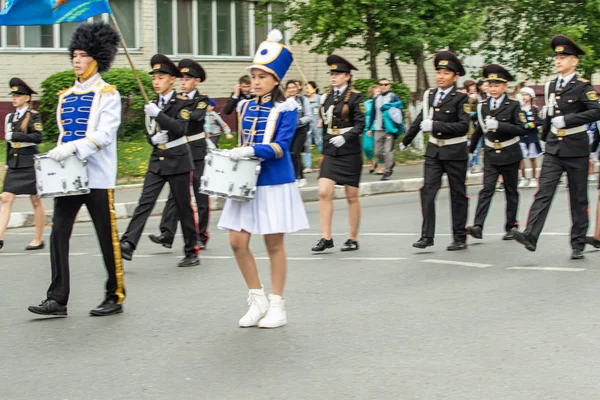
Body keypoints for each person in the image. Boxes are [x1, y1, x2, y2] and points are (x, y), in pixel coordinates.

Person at [28, 22, 124, 317]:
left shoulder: (108, 94)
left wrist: (73, 147)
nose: (77, 60)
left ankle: (115, 295)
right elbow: (62, 134)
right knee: (58, 233)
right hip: (69, 178)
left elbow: (104, 135)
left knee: (105, 236)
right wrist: (57, 157)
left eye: (82, 55)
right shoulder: (64, 96)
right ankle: (57, 298)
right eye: (74, 55)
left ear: (97, 58)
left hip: (97, 176)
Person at [217, 29, 309, 329]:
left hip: (273, 182)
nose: (254, 81)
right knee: (236, 241)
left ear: (275, 80)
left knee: (273, 245)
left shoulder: (288, 107)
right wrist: (234, 156)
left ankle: (277, 304)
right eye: (253, 76)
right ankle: (257, 299)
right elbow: (244, 139)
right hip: (246, 182)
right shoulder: (244, 106)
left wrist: (248, 151)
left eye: (261, 76)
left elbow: (281, 147)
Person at [512, 35, 600, 260]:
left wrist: (569, 120)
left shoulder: (583, 86)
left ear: (575, 61)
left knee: (578, 197)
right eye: (557, 57)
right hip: (554, 147)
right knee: (544, 191)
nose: (559, 60)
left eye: (564, 57)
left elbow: (596, 110)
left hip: (576, 146)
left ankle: (578, 243)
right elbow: (550, 114)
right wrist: (544, 137)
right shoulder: (551, 85)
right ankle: (531, 234)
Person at [120, 54, 199, 267]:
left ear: (172, 79)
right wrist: (153, 140)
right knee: (145, 203)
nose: (156, 81)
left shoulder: (182, 102)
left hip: (178, 159)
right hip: (158, 159)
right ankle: (128, 243)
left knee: (183, 207)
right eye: (154, 77)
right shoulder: (152, 104)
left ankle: (192, 250)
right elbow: (150, 132)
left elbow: (180, 128)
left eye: (161, 77)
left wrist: (159, 115)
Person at [400, 51, 471, 251]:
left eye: (446, 73)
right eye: (439, 72)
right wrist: (406, 140)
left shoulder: (461, 99)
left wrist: (436, 125)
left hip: (455, 152)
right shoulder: (431, 95)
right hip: (434, 152)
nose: (440, 76)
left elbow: (463, 126)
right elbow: (421, 119)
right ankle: (427, 235)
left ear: (456, 77)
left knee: (457, 194)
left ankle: (459, 237)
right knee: (427, 192)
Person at [149, 59, 211, 251]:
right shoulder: (175, 101)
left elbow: (195, 117)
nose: (183, 82)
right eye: (182, 79)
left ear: (197, 81)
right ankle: (167, 233)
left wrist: (180, 112)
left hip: (196, 150)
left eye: (188, 79)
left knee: (200, 193)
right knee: (175, 195)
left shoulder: (201, 100)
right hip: (178, 151)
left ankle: (201, 234)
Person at [467, 64, 528, 241]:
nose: (492, 89)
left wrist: (500, 125)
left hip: (510, 152)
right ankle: (478, 225)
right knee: (487, 189)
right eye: (490, 85)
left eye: (496, 85)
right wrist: (470, 151)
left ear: (504, 86)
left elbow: (521, 128)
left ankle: (511, 226)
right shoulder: (482, 106)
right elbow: (479, 129)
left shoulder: (513, 105)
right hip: (491, 153)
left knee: (510, 190)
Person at [312, 55, 365, 253]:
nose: (333, 77)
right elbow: (325, 121)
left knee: (351, 196)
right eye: (332, 74)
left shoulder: (355, 97)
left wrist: (346, 136)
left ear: (347, 76)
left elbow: (361, 124)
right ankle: (326, 237)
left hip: (349, 150)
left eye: (338, 74)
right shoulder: (327, 97)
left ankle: (353, 238)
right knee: (324, 191)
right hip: (331, 149)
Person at [0, 78, 45, 251]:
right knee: (6, 198)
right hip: (15, 163)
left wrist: (17, 137)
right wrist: (7, 162)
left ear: (27, 98)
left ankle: (38, 239)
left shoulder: (33, 116)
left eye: (18, 95)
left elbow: (38, 137)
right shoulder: (10, 117)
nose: (14, 98)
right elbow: (8, 143)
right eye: (13, 95)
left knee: (35, 200)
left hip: (29, 162)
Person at [371, 78, 402, 180]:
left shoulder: (393, 97)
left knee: (388, 151)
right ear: (379, 86)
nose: (383, 86)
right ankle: (390, 162)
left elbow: (399, 108)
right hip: (378, 128)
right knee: (377, 152)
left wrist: (388, 106)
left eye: (385, 84)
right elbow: (373, 113)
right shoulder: (376, 98)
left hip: (389, 129)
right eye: (381, 84)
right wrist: (369, 127)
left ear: (389, 86)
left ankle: (387, 172)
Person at [286, 80, 312, 187]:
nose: (292, 90)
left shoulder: (302, 99)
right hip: (288, 131)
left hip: (300, 130)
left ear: (297, 88)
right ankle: (301, 176)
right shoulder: (284, 101)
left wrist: (299, 121)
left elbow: (309, 116)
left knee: (295, 153)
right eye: (289, 88)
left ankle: (296, 177)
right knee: (291, 154)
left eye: (293, 87)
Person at [518, 87, 543, 188]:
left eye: (526, 95)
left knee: (532, 157)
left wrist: (531, 124)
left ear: (531, 97)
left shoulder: (534, 109)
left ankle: (533, 178)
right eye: (523, 95)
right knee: (522, 157)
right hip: (521, 135)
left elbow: (540, 121)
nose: (524, 97)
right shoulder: (519, 109)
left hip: (531, 135)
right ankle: (523, 178)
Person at [303, 81, 322, 173]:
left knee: (320, 143)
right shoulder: (304, 99)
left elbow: (324, 110)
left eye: (309, 88)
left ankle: (326, 162)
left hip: (317, 124)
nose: (307, 90)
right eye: (306, 88)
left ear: (314, 89)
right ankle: (308, 166)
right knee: (307, 145)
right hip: (307, 126)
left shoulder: (319, 98)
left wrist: (322, 120)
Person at [363, 84, 380, 173]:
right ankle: (372, 162)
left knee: (380, 149)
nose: (378, 94)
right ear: (372, 94)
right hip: (367, 129)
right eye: (377, 92)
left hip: (379, 128)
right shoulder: (366, 104)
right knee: (367, 147)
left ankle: (382, 167)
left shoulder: (382, 103)